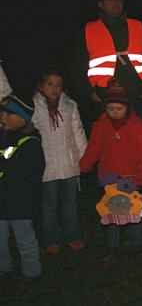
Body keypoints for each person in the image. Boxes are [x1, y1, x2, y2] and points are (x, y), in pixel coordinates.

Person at [79, 82, 142, 259]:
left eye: (119, 108)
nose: (115, 112)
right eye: (110, 108)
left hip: (130, 178)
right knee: (111, 211)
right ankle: (112, 247)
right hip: (108, 177)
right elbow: (94, 147)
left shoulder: (138, 127)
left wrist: (139, 178)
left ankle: (136, 244)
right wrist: (84, 165)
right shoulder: (101, 125)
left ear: (127, 107)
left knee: (133, 210)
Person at [76, 0, 142, 121]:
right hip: (104, 96)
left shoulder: (138, 26)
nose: (116, 3)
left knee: (138, 138)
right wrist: (88, 92)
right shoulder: (89, 29)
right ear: (101, 4)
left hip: (135, 95)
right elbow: (78, 64)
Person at [32, 69, 87, 255]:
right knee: (49, 205)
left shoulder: (70, 105)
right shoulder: (34, 106)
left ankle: (72, 235)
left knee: (70, 204)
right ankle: (51, 239)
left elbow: (78, 132)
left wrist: (83, 158)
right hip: (46, 165)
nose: (55, 89)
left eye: (58, 85)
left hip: (69, 164)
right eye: (50, 84)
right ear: (41, 85)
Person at [0, 94, 45, 280]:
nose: (3, 117)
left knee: (25, 239)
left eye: (8, 114)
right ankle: (4, 268)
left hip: (20, 204)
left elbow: (27, 173)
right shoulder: (4, 138)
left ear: (23, 118)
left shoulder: (31, 143)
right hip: (2, 202)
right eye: (1, 113)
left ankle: (32, 272)